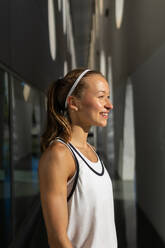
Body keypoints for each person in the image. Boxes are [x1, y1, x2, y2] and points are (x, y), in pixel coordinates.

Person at [39, 68, 117, 248]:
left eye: (108, 96)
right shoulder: (59, 155)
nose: (109, 105)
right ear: (74, 103)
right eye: (101, 96)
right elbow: (57, 239)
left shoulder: (90, 150)